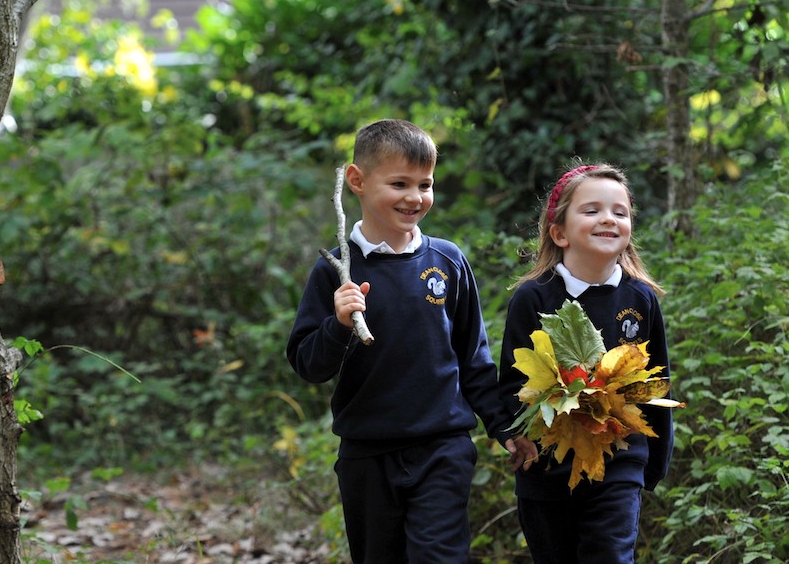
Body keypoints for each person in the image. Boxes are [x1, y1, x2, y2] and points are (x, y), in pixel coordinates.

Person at [286, 118, 518, 563]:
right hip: (367, 453)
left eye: (425, 184)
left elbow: (473, 358)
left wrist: (503, 427)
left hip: (442, 448)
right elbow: (308, 365)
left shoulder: (447, 262)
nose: (415, 197)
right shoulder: (336, 271)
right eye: (399, 183)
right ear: (356, 180)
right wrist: (338, 324)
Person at [499, 163, 674, 563]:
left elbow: (656, 383)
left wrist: (653, 462)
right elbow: (511, 381)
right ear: (559, 232)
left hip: (619, 464)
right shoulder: (533, 298)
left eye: (620, 212)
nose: (608, 219)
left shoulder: (639, 299)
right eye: (592, 210)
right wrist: (512, 436)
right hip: (545, 471)